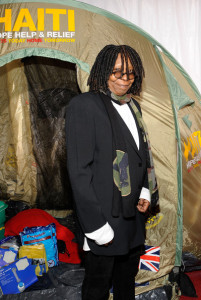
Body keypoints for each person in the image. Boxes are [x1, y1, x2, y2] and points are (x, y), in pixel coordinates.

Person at [65, 44, 158, 300]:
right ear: (103, 71)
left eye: (130, 73)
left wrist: (145, 191)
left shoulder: (134, 106)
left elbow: (142, 155)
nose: (124, 79)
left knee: (126, 281)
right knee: (97, 285)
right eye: (117, 72)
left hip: (132, 217)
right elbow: (78, 172)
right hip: (104, 218)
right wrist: (95, 227)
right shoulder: (84, 106)